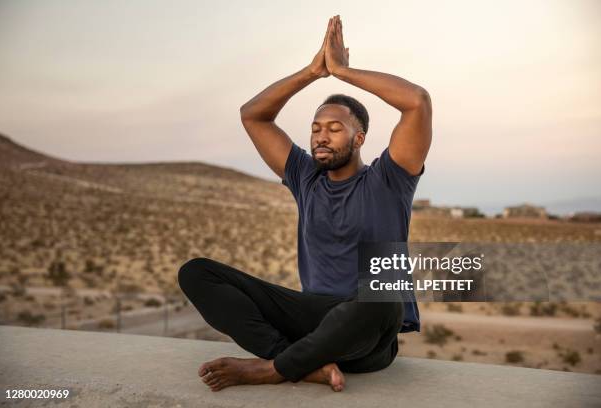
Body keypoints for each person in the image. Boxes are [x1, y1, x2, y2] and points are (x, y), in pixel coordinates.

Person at [178, 14, 432, 392]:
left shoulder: (389, 179)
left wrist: (343, 72)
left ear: (359, 138)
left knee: (382, 297)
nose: (321, 137)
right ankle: (300, 363)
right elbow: (253, 115)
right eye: (315, 129)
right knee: (196, 272)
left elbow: (417, 101)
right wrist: (313, 72)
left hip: (368, 335)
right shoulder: (306, 177)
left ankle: (273, 369)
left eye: (334, 128)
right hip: (311, 320)